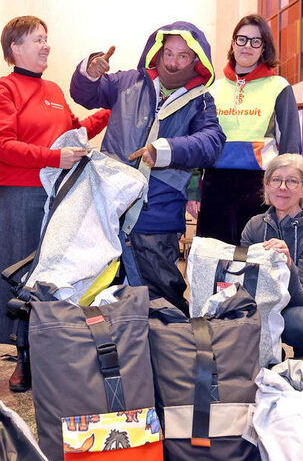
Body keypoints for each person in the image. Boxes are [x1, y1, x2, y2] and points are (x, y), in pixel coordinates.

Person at [0, 16, 109, 392]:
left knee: (51, 277)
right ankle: (24, 357)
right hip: (20, 197)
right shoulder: (2, 90)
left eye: (47, 39)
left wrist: (114, 108)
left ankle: (49, 352)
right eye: (37, 40)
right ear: (15, 48)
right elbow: (2, 146)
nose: (46, 46)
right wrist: (52, 157)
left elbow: (76, 129)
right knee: (19, 279)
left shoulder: (54, 90)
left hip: (57, 197)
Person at [70, 22, 225, 315]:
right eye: (168, 53)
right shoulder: (127, 82)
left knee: (161, 296)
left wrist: (164, 150)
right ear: (158, 51)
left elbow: (212, 143)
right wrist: (90, 73)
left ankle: (169, 354)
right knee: (102, 293)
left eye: (183, 56)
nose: (173, 62)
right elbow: (87, 95)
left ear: (196, 60)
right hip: (110, 205)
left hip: (159, 213)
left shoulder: (200, 101)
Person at [194, 14, 301, 245]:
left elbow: (292, 147)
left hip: (260, 188)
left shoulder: (279, 87)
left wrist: (288, 194)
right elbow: (197, 143)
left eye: (256, 41)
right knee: (214, 262)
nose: (247, 46)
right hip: (215, 187)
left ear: (264, 48)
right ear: (233, 44)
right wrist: (193, 190)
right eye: (242, 39)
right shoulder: (213, 90)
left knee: (255, 264)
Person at [240, 154, 303, 356]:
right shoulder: (254, 225)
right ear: (267, 185)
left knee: (296, 323)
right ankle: (269, 358)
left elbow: (302, 297)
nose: (283, 187)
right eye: (276, 179)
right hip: (261, 302)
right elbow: (243, 280)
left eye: (292, 181)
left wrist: (288, 264)